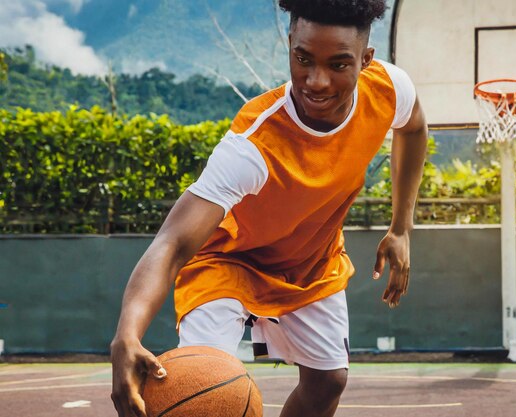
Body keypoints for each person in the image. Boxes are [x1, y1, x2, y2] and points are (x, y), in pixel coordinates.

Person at [110, 0, 428, 416]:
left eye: (338, 64)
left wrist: (401, 228)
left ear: (366, 60)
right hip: (228, 263)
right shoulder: (253, 145)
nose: (316, 80)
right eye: (303, 59)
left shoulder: (389, 89)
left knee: (328, 382)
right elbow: (172, 243)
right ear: (290, 44)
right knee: (203, 387)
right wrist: (126, 335)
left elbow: (415, 127)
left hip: (311, 259)